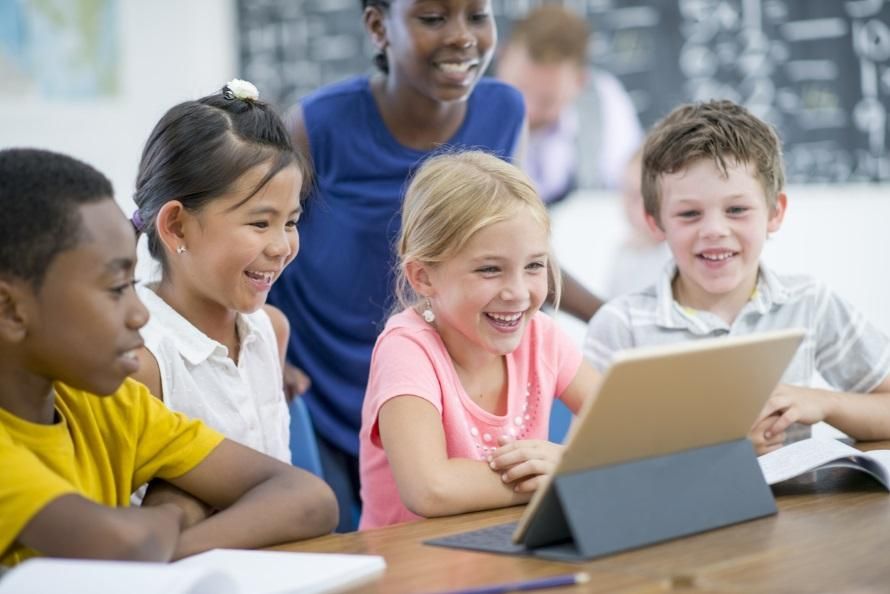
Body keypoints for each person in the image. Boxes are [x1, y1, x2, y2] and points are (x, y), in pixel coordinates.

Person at [0, 148, 337, 567]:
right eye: (114, 288)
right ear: (11, 310)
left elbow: (310, 500)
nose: (139, 312)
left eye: (133, 283)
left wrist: (165, 524)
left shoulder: (113, 407)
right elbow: (125, 546)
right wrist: (176, 509)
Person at [267, 0, 527, 531]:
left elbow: (513, 244)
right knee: (340, 547)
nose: (462, 37)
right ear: (378, 26)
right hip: (320, 387)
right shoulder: (317, 124)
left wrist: (602, 309)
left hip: (439, 390)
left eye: (479, 16)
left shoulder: (506, 110)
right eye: (433, 19)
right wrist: (263, 343)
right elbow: (263, 239)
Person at [583, 100, 890, 454]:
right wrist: (719, 447)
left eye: (737, 210)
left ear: (775, 213)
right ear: (656, 223)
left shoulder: (809, 303)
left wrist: (824, 402)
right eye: (689, 213)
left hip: (798, 508)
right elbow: (590, 461)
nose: (714, 229)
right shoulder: (622, 327)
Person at [358, 151, 601, 529]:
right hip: (412, 570)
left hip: (507, 554)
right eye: (490, 270)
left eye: (534, 265)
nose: (518, 293)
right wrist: (565, 473)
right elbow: (429, 489)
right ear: (423, 277)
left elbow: (627, 438)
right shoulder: (406, 348)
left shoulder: (543, 337)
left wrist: (570, 466)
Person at [129, 79, 302, 472]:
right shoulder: (143, 360)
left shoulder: (270, 330)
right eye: (260, 223)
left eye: (291, 222)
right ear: (176, 227)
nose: (281, 247)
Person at [496, 4, 643, 204]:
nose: (528, 111)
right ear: (502, 57)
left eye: (547, 100)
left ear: (580, 82)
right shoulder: (459, 106)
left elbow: (628, 191)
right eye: (518, 91)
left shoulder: (603, 101)